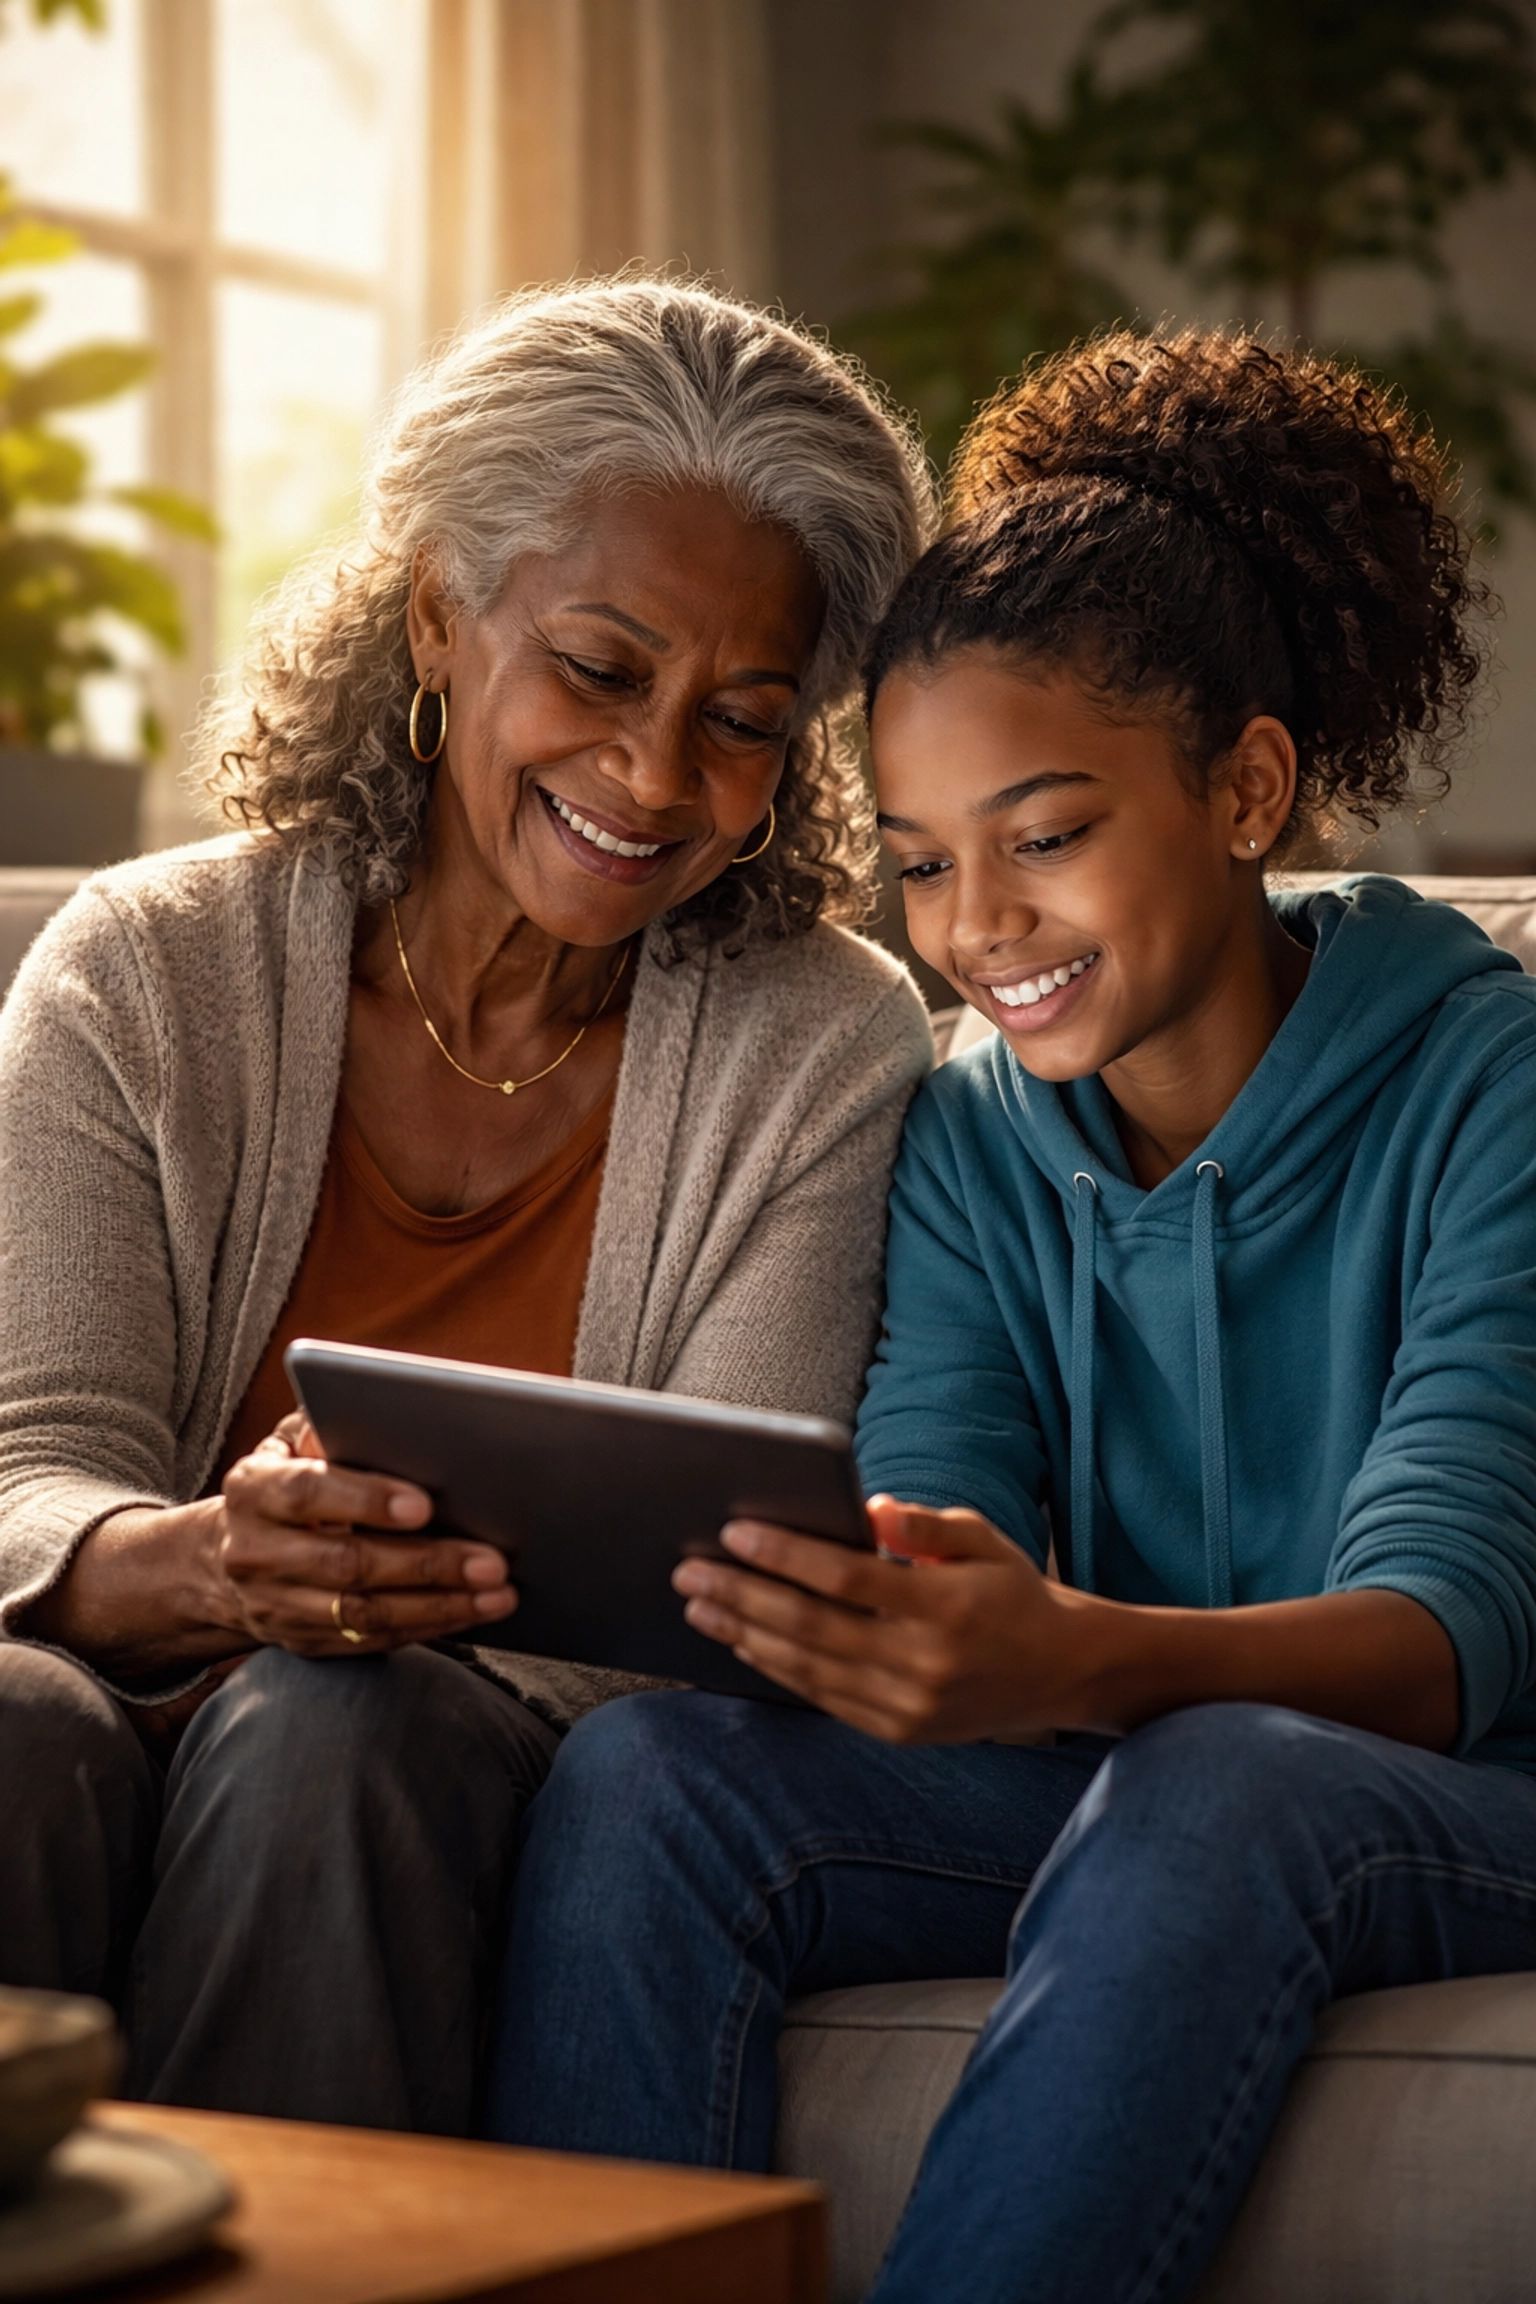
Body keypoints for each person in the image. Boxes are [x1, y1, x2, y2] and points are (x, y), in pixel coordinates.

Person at [484, 330, 1536, 2301]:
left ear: (1246, 785)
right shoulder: (967, 1127)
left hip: (1468, 1793)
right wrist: (896, 1599)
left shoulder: (1493, 1088)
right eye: (919, 865)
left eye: (1044, 838)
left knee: (1222, 1772)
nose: (978, 928)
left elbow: (1444, 1639)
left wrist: (1064, 1651)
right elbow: (940, 1493)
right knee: (649, 1782)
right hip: (1143, 1767)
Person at [0, 276, 935, 2134]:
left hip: (468, 1753)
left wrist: (350, 1625)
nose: (657, 776)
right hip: (129, 1686)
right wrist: (203, 1563)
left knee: (330, 1733)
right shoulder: (143, 969)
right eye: (598, 671)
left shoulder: (826, 1041)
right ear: (439, 612)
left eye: (744, 718)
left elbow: (714, 1568)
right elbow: (30, 1459)